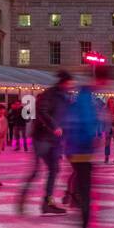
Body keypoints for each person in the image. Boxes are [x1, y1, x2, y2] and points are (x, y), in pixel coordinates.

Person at [65, 66, 114, 228]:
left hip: (80, 153)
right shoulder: (85, 97)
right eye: (105, 81)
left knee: (87, 205)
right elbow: (85, 124)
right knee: (86, 205)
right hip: (80, 154)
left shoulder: (86, 96)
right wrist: (95, 134)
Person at [18, 71, 73, 215]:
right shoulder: (50, 94)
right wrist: (54, 127)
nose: (70, 86)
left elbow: (66, 118)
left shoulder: (65, 97)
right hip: (42, 138)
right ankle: (24, 195)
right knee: (37, 171)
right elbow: (42, 111)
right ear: (63, 82)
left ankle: (47, 202)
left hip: (54, 141)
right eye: (69, 83)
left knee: (54, 169)